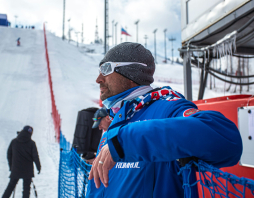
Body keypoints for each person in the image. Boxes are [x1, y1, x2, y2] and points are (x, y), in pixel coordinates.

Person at [86, 42, 243, 197]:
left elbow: (226, 139)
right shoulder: (116, 118)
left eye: (106, 69)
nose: (98, 79)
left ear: (130, 73)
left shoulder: (166, 108)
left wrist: (125, 142)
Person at [2, 126, 41, 198]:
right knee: (26, 188)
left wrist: (11, 166)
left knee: (11, 186)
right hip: (27, 170)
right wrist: (38, 167)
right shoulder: (31, 143)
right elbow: (35, 156)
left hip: (16, 169)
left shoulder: (14, 141)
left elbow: (9, 154)